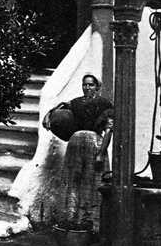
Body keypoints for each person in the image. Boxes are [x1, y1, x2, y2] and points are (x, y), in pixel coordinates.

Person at [43, 73, 113, 232]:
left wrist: (101, 154)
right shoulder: (76, 103)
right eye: (85, 84)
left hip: (94, 143)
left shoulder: (104, 104)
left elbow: (109, 130)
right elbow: (62, 106)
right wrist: (48, 115)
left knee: (94, 181)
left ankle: (93, 224)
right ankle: (72, 221)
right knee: (73, 180)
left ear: (98, 87)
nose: (87, 88)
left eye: (91, 85)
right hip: (75, 142)